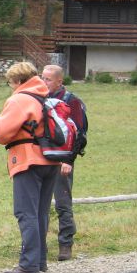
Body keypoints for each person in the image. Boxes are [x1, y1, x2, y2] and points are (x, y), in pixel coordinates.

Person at [0, 61, 64, 273]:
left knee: (26, 213)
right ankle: (40, 260)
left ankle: (28, 264)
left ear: (17, 81)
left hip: (28, 161)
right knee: (41, 212)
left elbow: (2, 133)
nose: (11, 86)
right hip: (50, 160)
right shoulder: (45, 96)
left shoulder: (20, 99)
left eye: (10, 82)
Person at [42, 64, 87, 261]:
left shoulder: (72, 102)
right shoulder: (40, 100)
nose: (44, 83)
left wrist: (69, 159)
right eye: (42, 78)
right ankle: (37, 244)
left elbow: (80, 133)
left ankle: (65, 243)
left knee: (62, 203)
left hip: (63, 160)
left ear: (59, 81)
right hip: (42, 157)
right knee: (39, 204)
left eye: (48, 79)